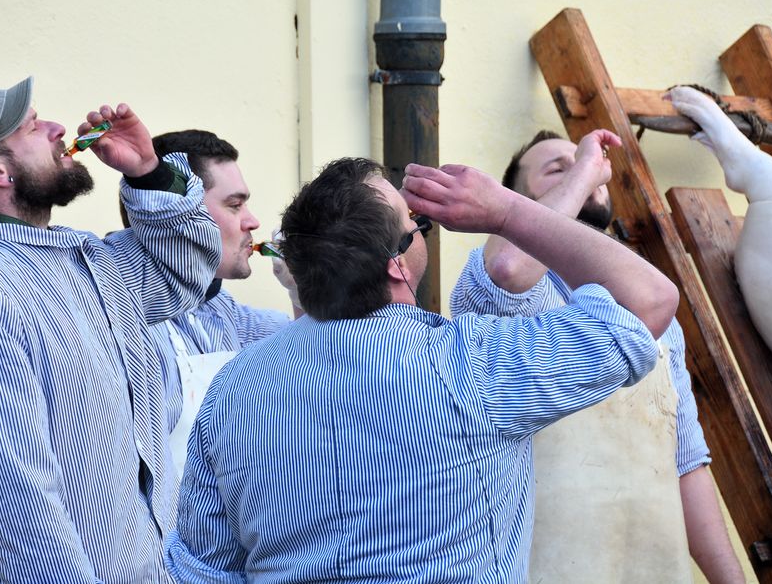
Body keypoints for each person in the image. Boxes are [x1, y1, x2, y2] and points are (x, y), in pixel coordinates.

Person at [165, 141, 680, 581]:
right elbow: (650, 299)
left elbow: (202, 571)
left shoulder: (234, 388)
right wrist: (503, 211)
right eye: (416, 223)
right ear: (397, 265)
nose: (421, 223)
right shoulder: (471, 366)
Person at [0, 76, 221, 582]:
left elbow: (187, 271)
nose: (60, 128)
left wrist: (148, 172)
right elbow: (14, 493)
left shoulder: (91, 260)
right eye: (34, 126)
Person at [450, 129, 745, 583]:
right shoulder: (503, 297)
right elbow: (509, 268)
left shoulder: (658, 316)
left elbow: (686, 464)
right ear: (514, 203)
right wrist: (586, 170)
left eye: (585, 163)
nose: (585, 169)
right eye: (557, 168)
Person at [124, 130, 298, 476]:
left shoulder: (225, 313)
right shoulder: (121, 315)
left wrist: (302, 288)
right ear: (184, 216)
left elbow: (311, 358)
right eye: (234, 205)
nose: (252, 221)